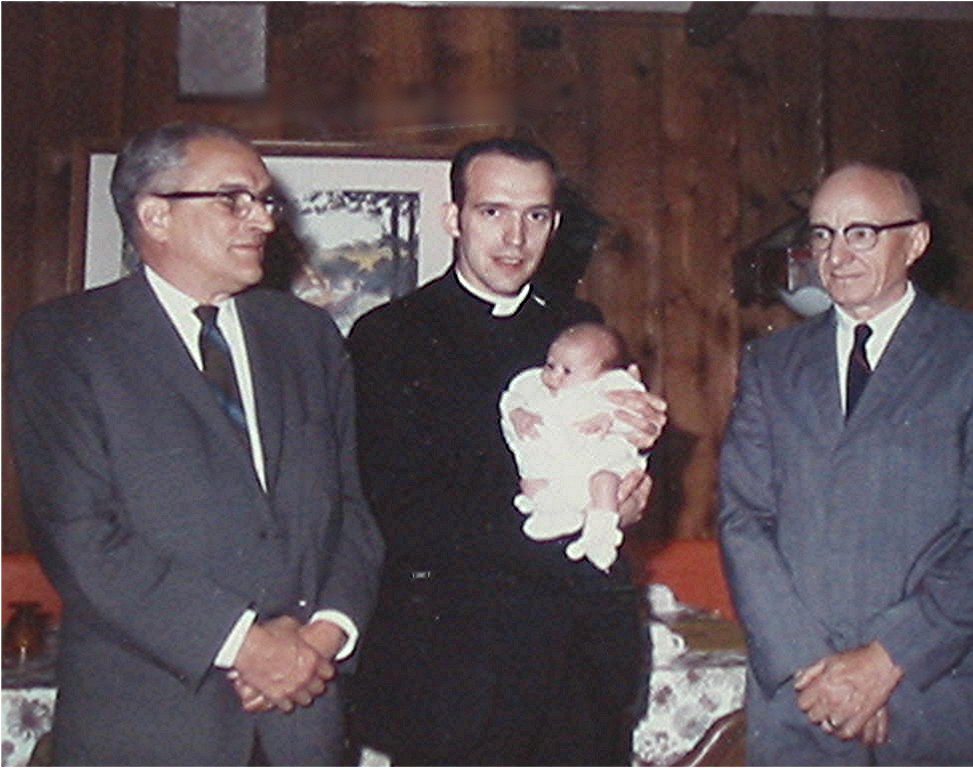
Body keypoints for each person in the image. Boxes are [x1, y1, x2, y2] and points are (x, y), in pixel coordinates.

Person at [8, 123, 384, 765]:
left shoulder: (308, 339)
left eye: (266, 200)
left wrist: (319, 642)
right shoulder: (66, 341)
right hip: (149, 731)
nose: (261, 220)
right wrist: (247, 645)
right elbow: (81, 536)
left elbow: (352, 510)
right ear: (155, 215)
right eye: (233, 199)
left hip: (302, 723)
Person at [346, 137, 667, 765]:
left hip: (579, 668)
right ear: (454, 218)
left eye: (537, 216)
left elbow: (618, 471)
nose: (516, 238)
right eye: (493, 212)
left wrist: (633, 469)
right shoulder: (390, 337)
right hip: (461, 673)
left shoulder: (578, 327)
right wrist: (579, 517)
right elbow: (403, 509)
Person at [719, 163, 973, 765]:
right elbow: (743, 520)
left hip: (936, 700)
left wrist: (885, 661)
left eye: (861, 233)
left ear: (915, 241)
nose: (837, 254)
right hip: (802, 707)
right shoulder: (771, 364)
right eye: (823, 234)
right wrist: (817, 673)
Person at [500, 322, 648, 571]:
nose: (554, 376)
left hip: (593, 464)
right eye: (550, 365)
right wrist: (519, 415)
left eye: (567, 371)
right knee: (531, 483)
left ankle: (600, 532)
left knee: (604, 482)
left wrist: (608, 418)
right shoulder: (533, 385)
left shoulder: (607, 387)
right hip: (553, 468)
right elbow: (510, 400)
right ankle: (551, 515)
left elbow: (634, 409)